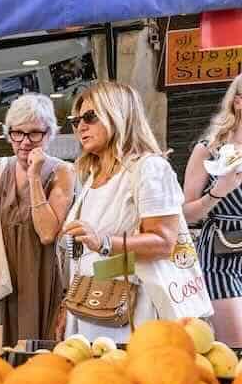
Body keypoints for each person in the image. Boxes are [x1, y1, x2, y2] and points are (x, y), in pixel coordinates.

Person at [62, 81, 184, 342]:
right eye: (76, 120)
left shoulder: (148, 169)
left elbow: (164, 241)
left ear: (118, 114)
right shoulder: (92, 176)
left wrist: (104, 242)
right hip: (89, 308)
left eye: (90, 117)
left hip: (133, 315)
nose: (81, 126)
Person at [0, 93, 75, 346]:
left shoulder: (62, 172)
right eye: (17, 133)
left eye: (34, 134)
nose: (24, 142)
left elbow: (48, 233)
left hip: (38, 278)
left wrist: (34, 177)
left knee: (33, 354)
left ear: (49, 134)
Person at [183, 73, 242, 346]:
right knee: (234, 348)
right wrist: (219, 191)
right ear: (238, 102)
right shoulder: (209, 150)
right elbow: (186, 213)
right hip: (221, 255)